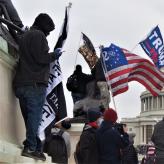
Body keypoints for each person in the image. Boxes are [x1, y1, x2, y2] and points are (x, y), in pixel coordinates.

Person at [13, 13, 62, 161]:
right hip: (34, 84)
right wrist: (55, 55)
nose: (48, 34)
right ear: (44, 27)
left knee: (30, 119)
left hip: (21, 83)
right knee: (34, 118)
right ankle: (30, 147)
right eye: (48, 30)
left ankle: (35, 146)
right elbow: (41, 58)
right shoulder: (39, 36)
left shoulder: (25, 35)